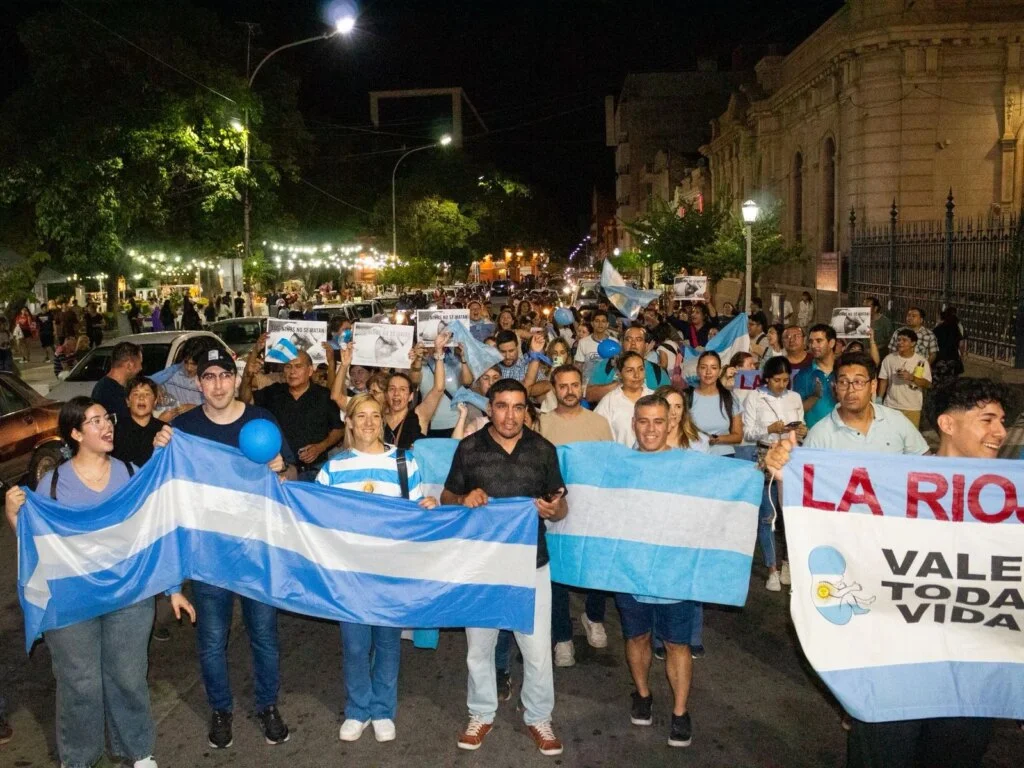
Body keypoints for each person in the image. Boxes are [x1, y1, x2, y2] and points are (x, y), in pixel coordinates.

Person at [764, 375, 1004, 768]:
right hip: (894, 679)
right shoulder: (894, 483)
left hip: (971, 686)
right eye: (988, 419)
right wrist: (789, 471)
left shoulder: (1010, 495)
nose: (999, 432)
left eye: (1001, 420)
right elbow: (840, 531)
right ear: (947, 424)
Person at [4, 397, 195, 768]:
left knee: (128, 677)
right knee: (80, 685)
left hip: (127, 595)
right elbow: (36, 542)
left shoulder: (129, 472)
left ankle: (138, 750)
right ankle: (78, 759)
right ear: (75, 433)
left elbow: (155, 530)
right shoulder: (53, 484)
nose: (107, 425)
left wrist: (172, 589)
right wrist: (14, 516)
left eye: (107, 418)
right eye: (94, 421)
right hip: (72, 602)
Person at [153, 348, 296, 750]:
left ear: (236, 379)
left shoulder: (261, 420)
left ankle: (268, 705)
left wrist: (282, 469)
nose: (217, 384)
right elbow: (162, 483)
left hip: (257, 550)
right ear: (199, 383)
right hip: (208, 553)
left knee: (264, 635)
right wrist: (160, 446)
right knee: (212, 639)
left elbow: (290, 475)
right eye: (209, 376)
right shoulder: (183, 429)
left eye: (224, 376)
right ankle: (221, 709)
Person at [441, 379, 568, 756]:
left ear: (527, 409)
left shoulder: (543, 450)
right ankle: (480, 712)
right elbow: (447, 496)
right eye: (501, 406)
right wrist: (464, 497)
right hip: (482, 566)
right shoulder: (469, 447)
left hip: (532, 564)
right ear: (490, 408)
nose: (509, 415)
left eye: (517, 407)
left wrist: (553, 510)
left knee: (537, 649)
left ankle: (539, 716)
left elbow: (561, 504)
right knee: (479, 647)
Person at [316, 393, 438, 744]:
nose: (368, 422)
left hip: (391, 570)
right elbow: (317, 517)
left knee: (387, 643)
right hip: (350, 573)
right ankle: (357, 708)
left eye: (375, 416)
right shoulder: (333, 468)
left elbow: (415, 511)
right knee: (355, 645)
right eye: (360, 416)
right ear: (349, 423)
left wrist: (426, 508)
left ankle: (383, 708)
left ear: (383, 421)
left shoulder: (405, 462)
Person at [617, 394, 700, 749]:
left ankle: (680, 713)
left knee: (677, 644)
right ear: (634, 423)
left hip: (674, 575)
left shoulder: (689, 467)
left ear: (671, 425)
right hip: (629, 572)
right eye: (643, 421)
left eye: (658, 421)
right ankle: (643, 694)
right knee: (636, 637)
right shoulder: (618, 465)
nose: (650, 429)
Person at [537, 364, 614, 667]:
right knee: (557, 576)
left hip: (592, 514)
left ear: (582, 387)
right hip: (555, 515)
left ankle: (593, 617)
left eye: (574, 385)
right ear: (554, 389)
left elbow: (609, 467)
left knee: (595, 571)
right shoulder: (542, 425)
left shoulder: (599, 423)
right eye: (562, 386)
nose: (568, 391)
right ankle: (563, 637)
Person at [742, 356, 805, 591]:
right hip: (765, 456)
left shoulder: (794, 397)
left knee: (790, 513)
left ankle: (788, 562)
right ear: (767, 378)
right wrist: (769, 429)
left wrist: (801, 430)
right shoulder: (755, 397)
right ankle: (772, 569)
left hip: (791, 456)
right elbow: (747, 433)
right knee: (767, 514)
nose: (782, 385)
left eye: (786, 380)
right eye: (777, 380)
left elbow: (800, 427)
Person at [247, 351, 343, 479]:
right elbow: (246, 401)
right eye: (288, 366)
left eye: (298, 366)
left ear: (310, 371)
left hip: (315, 472)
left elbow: (339, 429)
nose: (292, 371)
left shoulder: (324, 396)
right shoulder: (273, 392)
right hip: (278, 472)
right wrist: (247, 377)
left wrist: (320, 447)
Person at [383, 333, 450, 449]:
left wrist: (438, 351)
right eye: (392, 389)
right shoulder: (377, 417)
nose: (396, 393)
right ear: (386, 394)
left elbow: (438, 389)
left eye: (402, 389)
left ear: (410, 396)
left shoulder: (420, 416)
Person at [586, 325, 667, 403]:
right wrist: (621, 383)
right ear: (621, 344)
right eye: (628, 339)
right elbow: (589, 395)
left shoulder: (658, 372)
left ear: (646, 346)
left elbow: (669, 402)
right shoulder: (607, 365)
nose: (633, 344)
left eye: (638, 340)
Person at [594, 351, 654, 446]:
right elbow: (596, 436)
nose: (636, 375)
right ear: (619, 374)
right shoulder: (609, 402)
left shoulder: (655, 398)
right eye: (630, 370)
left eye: (641, 369)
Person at [689, 351, 742, 456]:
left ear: (719, 372)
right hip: (696, 456)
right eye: (704, 367)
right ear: (697, 370)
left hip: (725, 457)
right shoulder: (687, 397)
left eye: (713, 368)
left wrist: (716, 439)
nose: (708, 372)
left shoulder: (730, 397)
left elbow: (738, 436)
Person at [878, 328, 932, 428]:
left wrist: (912, 378)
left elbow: (927, 384)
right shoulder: (889, 359)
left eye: (904, 340)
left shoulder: (921, 361)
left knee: (910, 439)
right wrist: (879, 398)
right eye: (898, 340)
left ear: (913, 343)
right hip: (891, 406)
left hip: (912, 407)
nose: (900, 343)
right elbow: (883, 380)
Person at [113, 377, 164, 468]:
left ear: (155, 401)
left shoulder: (164, 430)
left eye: (147, 394)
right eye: (136, 394)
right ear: (128, 401)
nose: (141, 398)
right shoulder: (115, 430)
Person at [793, 324, 838, 429]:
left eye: (819, 341)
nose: (813, 345)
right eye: (811, 341)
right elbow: (796, 410)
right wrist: (814, 397)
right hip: (814, 438)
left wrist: (839, 397)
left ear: (831, 343)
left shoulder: (843, 371)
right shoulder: (803, 375)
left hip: (842, 437)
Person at [91, 342, 143, 431]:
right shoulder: (109, 393)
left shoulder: (109, 386)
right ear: (129, 365)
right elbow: (129, 430)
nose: (141, 367)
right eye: (140, 363)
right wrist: (161, 421)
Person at [652, 385, 709, 452]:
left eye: (678, 406)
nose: (673, 412)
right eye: (668, 406)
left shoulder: (700, 442)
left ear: (683, 411)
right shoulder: (646, 439)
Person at [574, 309, 614, 385]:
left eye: (603, 321)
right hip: (588, 386)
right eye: (597, 321)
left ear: (607, 324)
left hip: (608, 385)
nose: (600, 324)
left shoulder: (614, 342)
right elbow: (578, 367)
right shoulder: (583, 342)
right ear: (592, 324)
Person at [932, 305, 967, 386]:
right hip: (952, 358)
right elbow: (961, 344)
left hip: (939, 358)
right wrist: (962, 354)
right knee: (952, 382)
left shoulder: (937, 329)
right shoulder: (956, 328)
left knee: (938, 381)